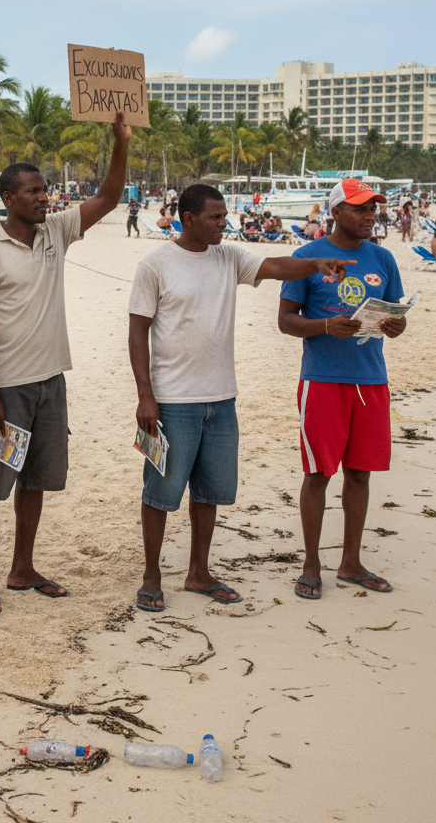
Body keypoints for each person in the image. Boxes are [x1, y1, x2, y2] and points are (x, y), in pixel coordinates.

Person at [128, 184, 355, 612]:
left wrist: (316, 263)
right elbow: (137, 331)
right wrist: (146, 396)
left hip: (222, 398)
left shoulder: (229, 257)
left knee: (210, 492)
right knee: (161, 492)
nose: (223, 224)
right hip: (173, 400)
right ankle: (152, 576)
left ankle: (198, 572)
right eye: (215, 217)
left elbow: (275, 266)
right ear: (188, 218)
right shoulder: (155, 264)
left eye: (224, 216)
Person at [0, 112, 131, 616]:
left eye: (45, 189)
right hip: (6, 387)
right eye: (32, 191)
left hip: (51, 381)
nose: (43, 197)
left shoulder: (56, 231)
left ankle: (23, 567)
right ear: (8, 198)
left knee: (37, 480)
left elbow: (109, 197)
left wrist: (119, 142)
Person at [277, 178, 407, 600]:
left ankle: (351, 562)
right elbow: (285, 320)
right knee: (317, 473)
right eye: (360, 208)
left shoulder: (383, 258)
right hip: (323, 381)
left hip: (371, 380)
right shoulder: (307, 257)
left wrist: (396, 324)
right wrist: (325, 326)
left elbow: (397, 321)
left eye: (374, 208)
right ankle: (311, 564)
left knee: (360, 473)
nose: (371, 215)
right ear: (335, 212)